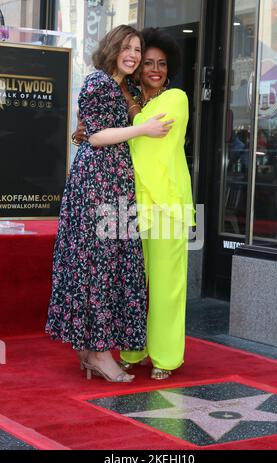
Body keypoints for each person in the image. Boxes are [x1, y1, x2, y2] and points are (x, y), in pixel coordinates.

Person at [45, 25, 174, 383]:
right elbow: (99, 136)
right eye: (128, 48)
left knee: (106, 263)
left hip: (115, 182)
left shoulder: (123, 86)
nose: (133, 54)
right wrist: (143, 129)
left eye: (138, 49)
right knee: (98, 263)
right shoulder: (98, 82)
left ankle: (89, 350)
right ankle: (99, 354)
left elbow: (94, 124)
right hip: (97, 183)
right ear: (113, 48)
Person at [119, 27, 195, 380]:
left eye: (161, 63)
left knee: (166, 284)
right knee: (133, 283)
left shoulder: (176, 98)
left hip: (168, 206)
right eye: (147, 62)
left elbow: (148, 137)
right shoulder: (130, 99)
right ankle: (133, 350)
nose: (154, 69)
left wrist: (127, 103)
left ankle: (165, 356)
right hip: (131, 204)